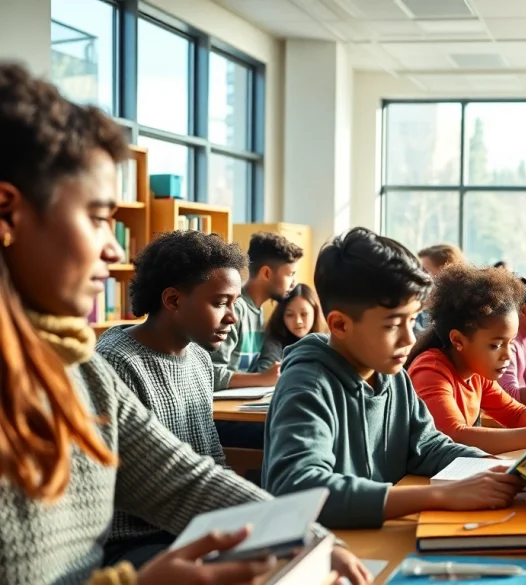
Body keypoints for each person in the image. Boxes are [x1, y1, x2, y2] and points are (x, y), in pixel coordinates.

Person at [0, 62, 367, 585]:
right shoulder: (104, 363)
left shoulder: (81, 373)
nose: (112, 248)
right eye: (98, 218)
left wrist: (311, 537)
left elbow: (182, 480)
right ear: (7, 213)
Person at [262, 228, 523, 529]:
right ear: (340, 325)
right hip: (320, 545)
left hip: (375, 537)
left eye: (411, 320)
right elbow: (299, 489)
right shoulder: (308, 385)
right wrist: (438, 495)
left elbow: (428, 446)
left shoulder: (392, 375)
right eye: (392, 325)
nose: (409, 338)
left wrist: (493, 467)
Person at [96, 231, 248, 566]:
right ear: (173, 301)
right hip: (134, 541)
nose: (233, 317)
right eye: (220, 303)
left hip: (192, 526)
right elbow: (143, 485)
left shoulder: (200, 359)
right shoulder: (116, 363)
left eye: (234, 303)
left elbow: (212, 459)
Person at [407, 264, 526, 454]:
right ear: (458, 340)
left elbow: (515, 414)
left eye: (510, 343)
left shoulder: (477, 371)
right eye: (496, 345)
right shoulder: (430, 371)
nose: (508, 355)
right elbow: (455, 436)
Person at [212, 232, 301, 386]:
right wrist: (262, 379)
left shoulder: (257, 311)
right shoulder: (234, 310)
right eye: (290, 274)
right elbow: (210, 373)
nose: (293, 283)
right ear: (266, 273)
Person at [255, 283, 325, 371]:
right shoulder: (275, 342)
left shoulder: (326, 341)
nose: (298, 321)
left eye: (304, 314)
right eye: (290, 315)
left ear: (315, 312)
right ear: (282, 316)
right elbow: (266, 371)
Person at [415, 243, 464, 337]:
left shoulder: (455, 316)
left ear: (445, 272)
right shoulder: (419, 307)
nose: (419, 275)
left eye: (425, 271)